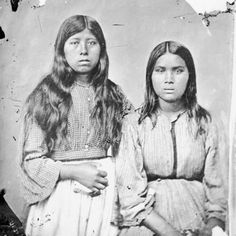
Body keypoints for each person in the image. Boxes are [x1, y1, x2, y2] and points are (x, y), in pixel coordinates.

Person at [18, 15, 133, 236]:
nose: (84, 50)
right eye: (74, 42)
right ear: (62, 50)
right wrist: (73, 172)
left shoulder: (114, 94)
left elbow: (136, 143)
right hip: (61, 198)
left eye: (91, 43)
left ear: (102, 49)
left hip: (106, 196)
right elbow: (31, 161)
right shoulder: (45, 95)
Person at [116, 41, 227, 236]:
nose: (169, 79)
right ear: (150, 76)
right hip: (147, 224)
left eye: (177, 71)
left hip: (196, 220)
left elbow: (218, 193)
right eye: (160, 70)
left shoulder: (205, 123)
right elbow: (130, 196)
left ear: (189, 76)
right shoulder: (133, 124)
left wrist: (209, 230)